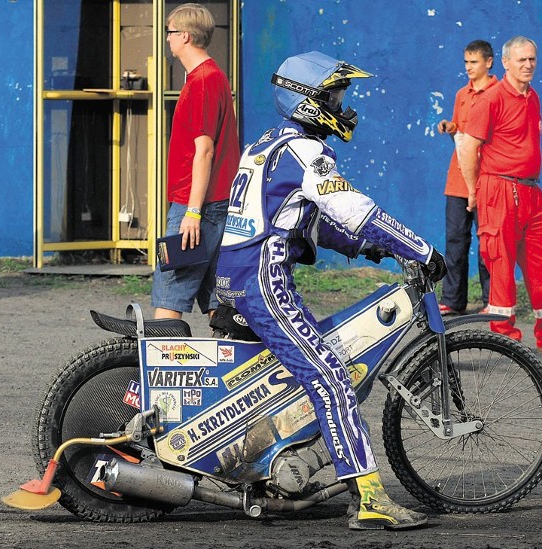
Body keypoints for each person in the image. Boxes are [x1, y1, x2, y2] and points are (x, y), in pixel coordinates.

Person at [215, 51, 446, 529]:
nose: (343, 106)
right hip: (262, 281)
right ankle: (370, 501)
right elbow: (354, 209)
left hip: (233, 274)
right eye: (335, 96)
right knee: (333, 381)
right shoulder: (307, 151)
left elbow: (307, 218)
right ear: (309, 101)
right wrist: (421, 250)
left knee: (282, 380)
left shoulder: (268, 143)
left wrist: (371, 249)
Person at [458, 36, 542, 355]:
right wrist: (474, 191)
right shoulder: (490, 99)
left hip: (530, 192)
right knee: (501, 267)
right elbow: (468, 148)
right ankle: (504, 340)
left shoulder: (533, 97)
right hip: (498, 189)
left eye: (532, 59)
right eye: (521, 60)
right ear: (505, 63)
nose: (528, 65)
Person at [152, 3, 240, 320]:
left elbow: (204, 151)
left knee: (170, 294)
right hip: (212, 203)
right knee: (217, 299)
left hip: (197, 205)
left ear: (185, 36)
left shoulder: (203, 81)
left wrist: (192, 212)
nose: (167, 39)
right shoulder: (211, 77)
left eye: (170, 32)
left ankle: (161, 369)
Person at [437, 40, 496, 316]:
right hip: (458, 178)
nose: (469, 67)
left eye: (474, 62)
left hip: (489, 179)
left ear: (489, 62)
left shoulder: (498, 93)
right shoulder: (462, 94)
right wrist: (451, 127)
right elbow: (461, 127)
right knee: (456, 240)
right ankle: (452, 300)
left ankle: (492, 301)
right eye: (466, 62)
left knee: (488, 243)